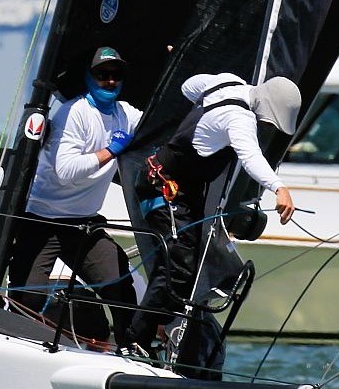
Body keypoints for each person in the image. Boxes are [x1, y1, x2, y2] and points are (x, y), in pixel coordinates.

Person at [125, 75, 300, 357]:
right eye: (271, 121)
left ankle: (154, 332)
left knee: (186, 267)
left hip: (177, 190)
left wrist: (203, 120)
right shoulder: (239, 119)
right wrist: (279, 188)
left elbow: (187, 86)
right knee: (177, 267)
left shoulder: (228, 83)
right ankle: (136, 340)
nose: (267, 125)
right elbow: (250, 156)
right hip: (166, 190)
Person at [7, 46, 142, 347]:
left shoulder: (126, 114)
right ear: (89, 77)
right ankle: (20, 346)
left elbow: (159, 126)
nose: (110, 81)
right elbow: (67, 169)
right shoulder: (74, 113)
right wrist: (111, 151)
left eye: (116, 75)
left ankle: (132, 349)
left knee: (119, 283)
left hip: (82, 223)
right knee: (27, 294)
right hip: (43, 219)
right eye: (102, 75)